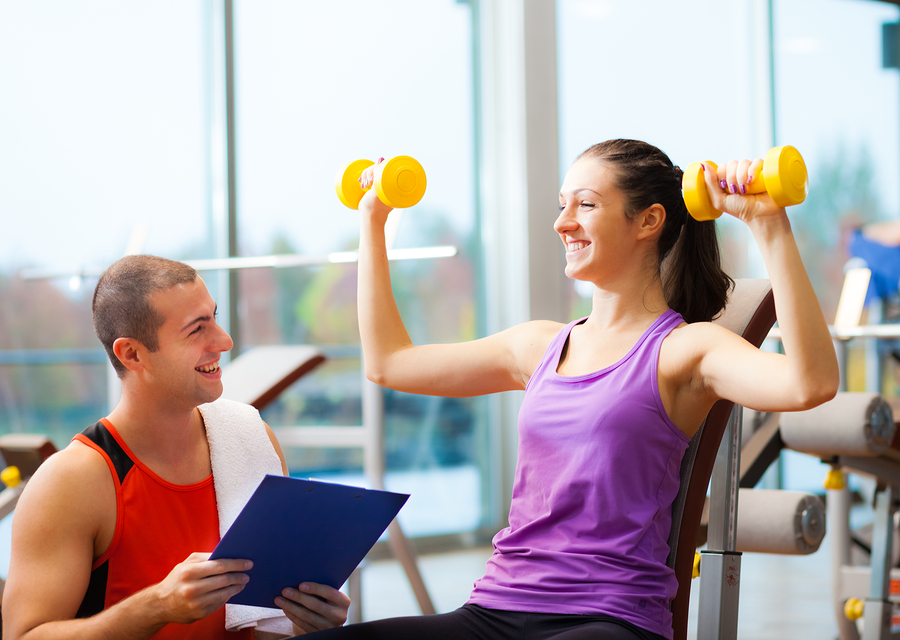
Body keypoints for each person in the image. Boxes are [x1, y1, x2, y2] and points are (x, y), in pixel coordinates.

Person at [298, 139, 840, 640]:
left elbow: (810, 384)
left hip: (608, 618)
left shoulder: (685, 351)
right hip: (494, 610)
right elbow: (390, 364)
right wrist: (373, 220)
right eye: (563, 204)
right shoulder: (538, 346)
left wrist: (769, 224)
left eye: (585, 204)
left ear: (648, 220)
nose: (562, 222)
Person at [2, 255, 351, 639]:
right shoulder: (72, 481)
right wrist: (157, 606)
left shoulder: (252, 439)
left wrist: (307, 620)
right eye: (197, 329)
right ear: (132, 354)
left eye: (214, 317)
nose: (224, 341)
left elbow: (270, 624)